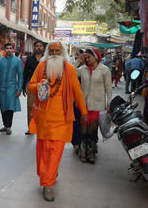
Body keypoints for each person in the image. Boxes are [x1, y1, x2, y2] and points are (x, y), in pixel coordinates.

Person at [28, 40, 88, 202]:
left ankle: (48, 185)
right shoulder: (41, 67)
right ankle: (49, 173)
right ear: (48, 52)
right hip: (43, 119)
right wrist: (39, 85)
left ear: (62, 53)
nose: (54, 54)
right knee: (43, 151)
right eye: (52, 51)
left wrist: (83, 112)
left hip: (62, 119)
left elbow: (77, 92)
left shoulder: (69, 69)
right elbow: (30, 86)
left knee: (55, 151)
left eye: (57, 51)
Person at [75, 48, 112, 164]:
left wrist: (109, 103)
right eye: (86, 57)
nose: (87, 59)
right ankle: (83, 152)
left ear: (96, 57)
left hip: (97, 105)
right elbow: (72, 72)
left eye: (89, 57)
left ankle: (91, 153)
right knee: (83, 130)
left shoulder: (104, 70)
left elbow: (108, 88)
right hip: (83, 104)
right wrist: (79, 60)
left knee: (92, 131)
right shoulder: (83, 69)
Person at [0, 43, 23, 135]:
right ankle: (5, 125)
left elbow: (20, 76)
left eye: (10, 48)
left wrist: (19, 89)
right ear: (4, 50)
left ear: (13, 50)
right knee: (3, 107)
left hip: (12, 88)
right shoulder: (0, 61)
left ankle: (8, 126)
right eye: (7, 48)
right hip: (1, 88)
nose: (8, 50)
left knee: (10, 107)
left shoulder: (17, 61)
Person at [23, 40, 45, 135]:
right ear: (34, 47)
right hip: (31, 86)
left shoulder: (46, 59)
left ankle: (42, 128)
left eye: (40, 46)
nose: (38, 47)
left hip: (44, 87)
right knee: (30, 108)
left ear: (43, 48)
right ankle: (30, 128)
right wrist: (24, 86)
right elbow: (25, 73)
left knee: (43, 108)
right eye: (37, 46)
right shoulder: (29, 59)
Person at [71, 49, 85, 151]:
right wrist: (78, 62)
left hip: (88, 99)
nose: (78, 57)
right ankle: (76, 142)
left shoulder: (89, 69)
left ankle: (88, 144)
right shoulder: (76, 67)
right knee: (76, 121)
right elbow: (71, 73)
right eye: (77, 55)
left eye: (80, 55)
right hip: (75, 99)